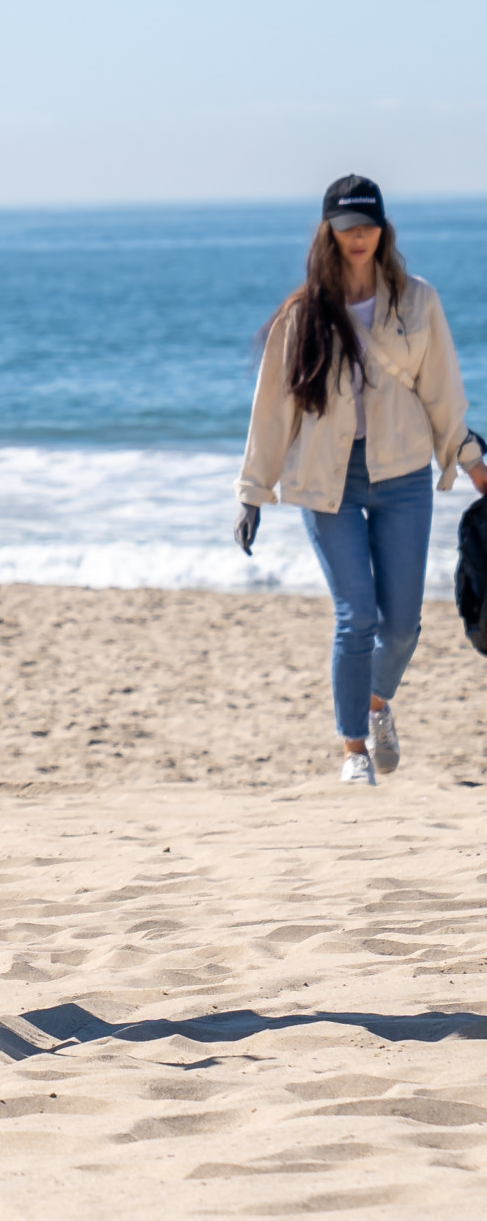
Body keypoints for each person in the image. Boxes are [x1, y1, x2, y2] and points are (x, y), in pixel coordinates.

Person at [237, 174, 483, 786]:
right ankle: (353, 751)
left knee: (402, 624)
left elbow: (443, 392)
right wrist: (253, 493)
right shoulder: (304, 316)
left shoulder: (418, 301)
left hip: (401, 474)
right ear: (329, 233)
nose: (359, 237)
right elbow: (273, 411)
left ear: (383, 230)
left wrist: (471, 459)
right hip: (327, 481)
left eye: (368, 226)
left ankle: (375, 706)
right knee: (358, 617)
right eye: (347, 228)